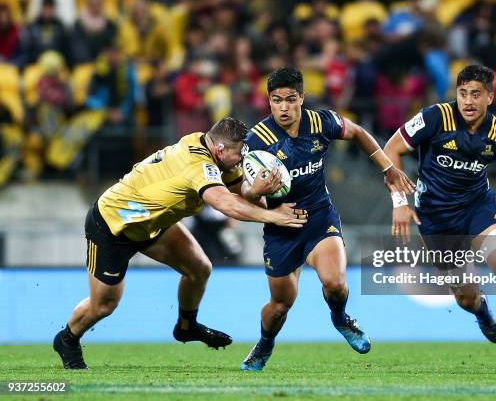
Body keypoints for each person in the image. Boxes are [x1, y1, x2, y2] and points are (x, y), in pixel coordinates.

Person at [53, 117, 307, 369]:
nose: (243, 158)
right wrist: (273, 217)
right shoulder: (198, 164)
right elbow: (225, 203)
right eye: (240, 152)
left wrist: (263, 196)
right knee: (104, 305)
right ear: (220, 150)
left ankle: (186, 326)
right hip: (113, 225)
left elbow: (241, 192)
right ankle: (67, 340)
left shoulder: (212, 151)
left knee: (199, 269)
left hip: (153, 224)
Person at [383, 65, 496, 367]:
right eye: (463, 93)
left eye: (475, 94)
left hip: (479, 209)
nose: (467, 101)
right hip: (436, 217)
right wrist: (400, 202)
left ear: (490, 97)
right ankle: (483, 312)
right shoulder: (434, 117)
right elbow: (391, 149)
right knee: (466, 297)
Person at [239, 67, 413, 371]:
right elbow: (245, 191)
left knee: (335, 282)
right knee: (280, 305)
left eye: (290, 99)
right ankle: (265, 344)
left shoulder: (321, 121)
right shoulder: (258, 139)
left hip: (319, 216)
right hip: (281, 224)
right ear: (268, 101)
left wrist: (387, 168)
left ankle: (341, 318)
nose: (283, 107)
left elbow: (358, 133)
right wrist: (256, 191)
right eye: (276, 100)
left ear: (302, 98)